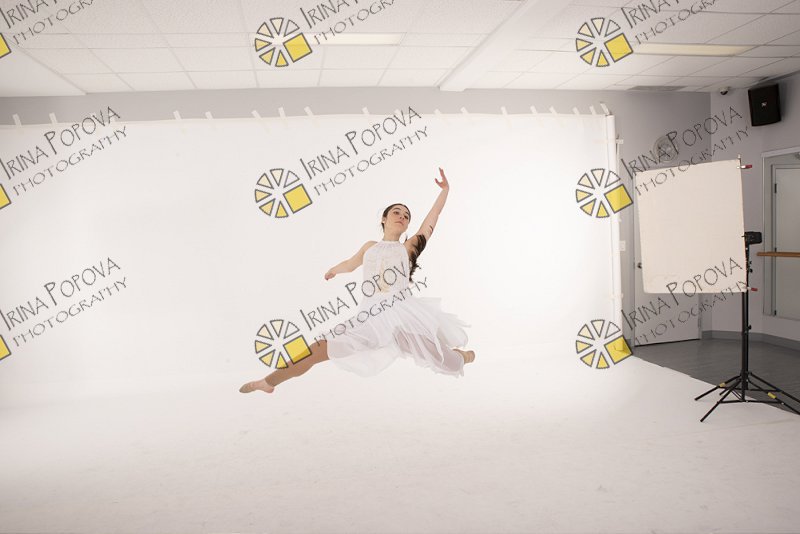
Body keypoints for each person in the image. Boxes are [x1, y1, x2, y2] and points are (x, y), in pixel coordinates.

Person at [239, 167, 475, 394]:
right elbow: (351, 264)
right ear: (384, 219)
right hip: (369, 318)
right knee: (316, 349)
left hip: (403, 316)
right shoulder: (369, 247)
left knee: (447, 362)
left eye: (406, 216)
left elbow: (432, 218)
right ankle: (268, 382)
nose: (402, 217)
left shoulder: (408, 247)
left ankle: (463, 356)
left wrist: (445, 191)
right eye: (397, 212)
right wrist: (334, 270)